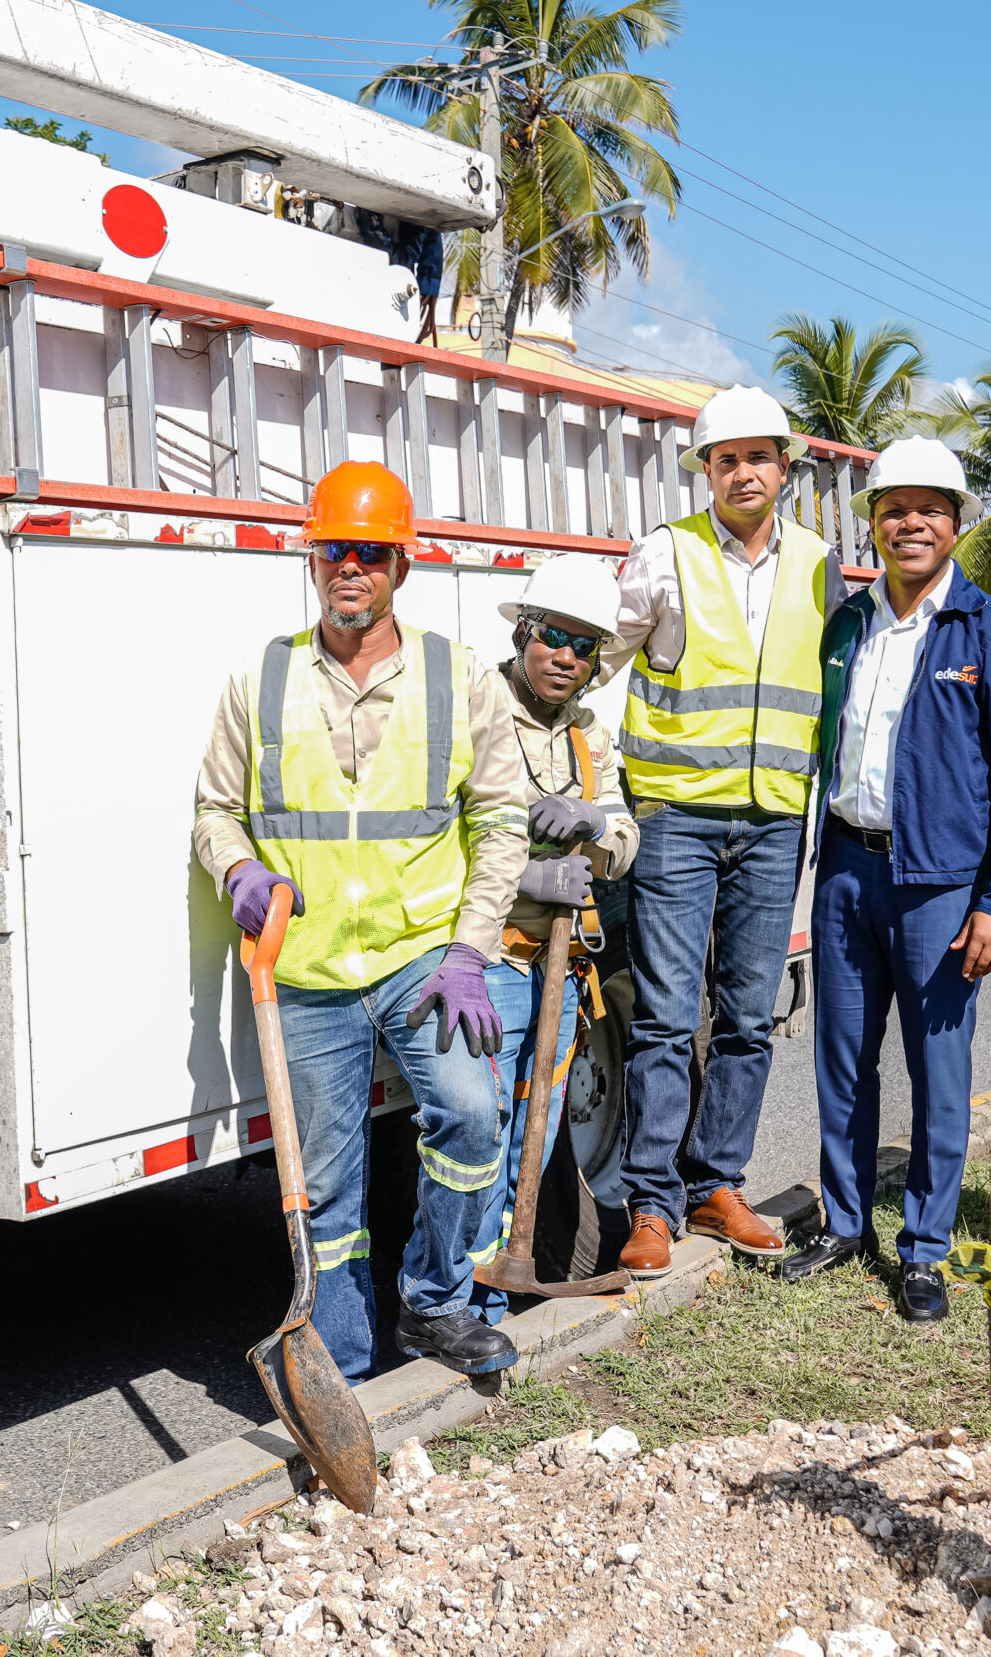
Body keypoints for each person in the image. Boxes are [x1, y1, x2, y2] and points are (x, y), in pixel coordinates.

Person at [190, 461, 533, 1378]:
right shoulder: (260, 680)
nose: (351, 566)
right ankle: (341, 1361)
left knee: (469, 1114)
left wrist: (470, 948)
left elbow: (501, 820)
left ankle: (434, 1303)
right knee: (328, 1185)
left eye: (370, 552)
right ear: (313, 560)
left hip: (422, 956)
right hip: (304, 972)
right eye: (334, 548)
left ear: (400, 566)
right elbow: (214, 809)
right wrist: (238, 868)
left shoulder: (459, 678)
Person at [780, 437, 991, 1320]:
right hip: (848, 872)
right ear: (873, 521)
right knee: (841, 1064)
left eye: (929, 509)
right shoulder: (850, 626)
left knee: (940, 1072)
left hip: (940, 887)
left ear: (956, 522)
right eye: (894, 508)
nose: (911, 524)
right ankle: (846, 1221)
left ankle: (926, 1249)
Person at [598, 386, 834, 1275]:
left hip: (773, 820)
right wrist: (604, 793)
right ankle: (651, 1205)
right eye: (724, 458)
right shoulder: (666, 554)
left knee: (745, 1018)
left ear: (784, 468)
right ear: (706, 472)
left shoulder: (818, 563)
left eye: (758, 457)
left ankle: (714, 1184)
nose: (743, 472)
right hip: (676, 821)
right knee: (664, 1018)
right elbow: (596, 663)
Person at [468, 556, 640, 1323]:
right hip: (493, 960)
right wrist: (525, 882)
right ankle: (461, 1301)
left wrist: (598, 824)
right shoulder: (479, 711)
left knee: (528, 1140)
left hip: (560, 972)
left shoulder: (589, 736)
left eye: (583, 647)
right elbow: (438, 845)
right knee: (479, 1130)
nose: (566, 657)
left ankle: (504, 1291)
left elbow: (625, 834)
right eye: (553, 638)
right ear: (523, 632)